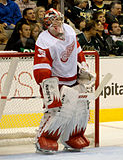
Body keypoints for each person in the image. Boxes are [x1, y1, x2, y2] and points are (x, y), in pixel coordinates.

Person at [33, 8, 95, 153]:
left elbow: (77, 51)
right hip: (57, 82)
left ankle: (72, 137)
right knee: (58, 111)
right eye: (56, 20)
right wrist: (49, 88)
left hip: (73, 79)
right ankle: (45, 138)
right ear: (48, 23)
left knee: (81, 108)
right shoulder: (44, 40)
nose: (60, 22)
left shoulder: (69, 31)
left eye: (60, 19)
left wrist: (83, 67)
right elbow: (41, 66)